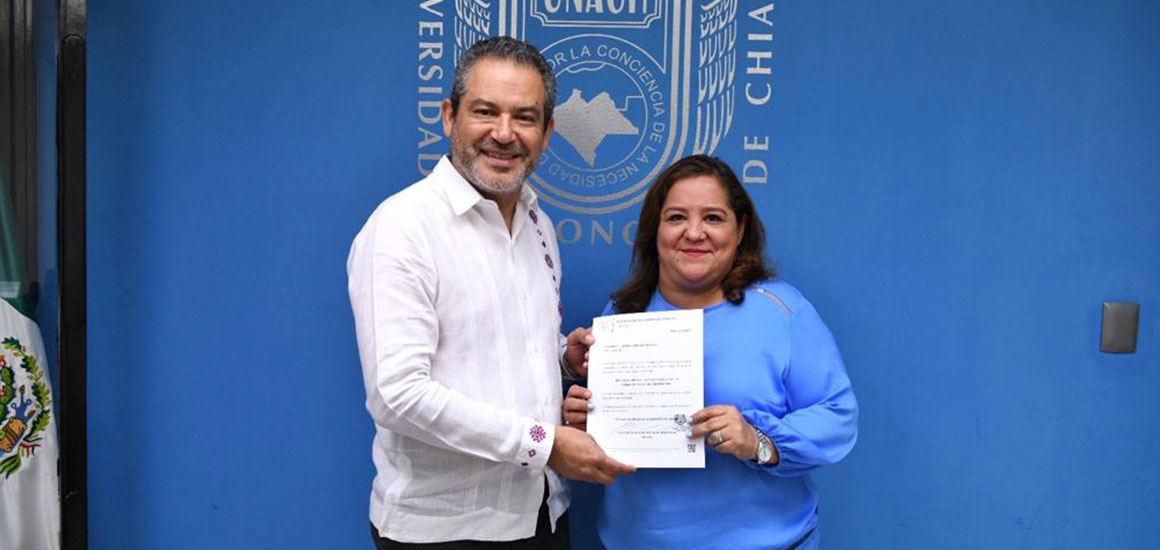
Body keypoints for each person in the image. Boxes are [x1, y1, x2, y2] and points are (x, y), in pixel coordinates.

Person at [348, 36, 634, 550]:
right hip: (445, 532)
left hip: (544, 515)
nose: (504, 134)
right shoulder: (403, 227)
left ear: (547, 133)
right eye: (485, 112)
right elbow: (397, 396)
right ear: (449, 117)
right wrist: (543, 444)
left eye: (525, 117)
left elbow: (496, 352)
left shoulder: (538, 224)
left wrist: (562, 359)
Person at [562, 155, 858, 549]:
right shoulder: (621, 315)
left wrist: (758, 440)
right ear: (655, 229)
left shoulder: (782, 310)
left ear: (740, 229)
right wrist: (585, 419)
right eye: (676, 217)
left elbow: (836, 416)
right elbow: (607, 438)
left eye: (713, 218)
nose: (694, 232)